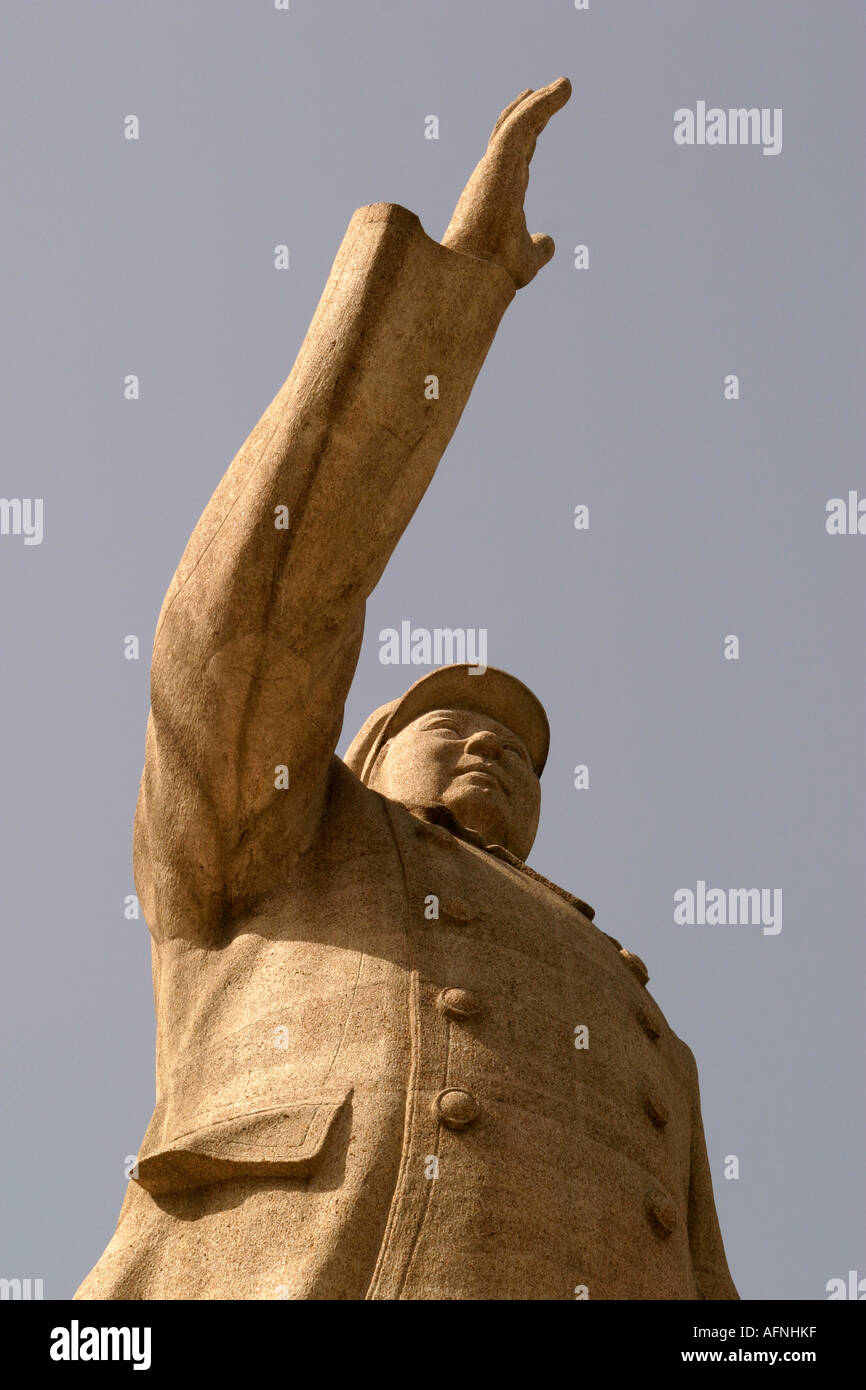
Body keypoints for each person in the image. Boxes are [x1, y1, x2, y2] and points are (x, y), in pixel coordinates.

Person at [76, 79, 737, 1300]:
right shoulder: (278, 836)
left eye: (518, 751)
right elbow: (254, 621)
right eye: (450, 724)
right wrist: (449, 302)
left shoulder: (641, 1017)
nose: (493, 751)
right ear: (362, 753)